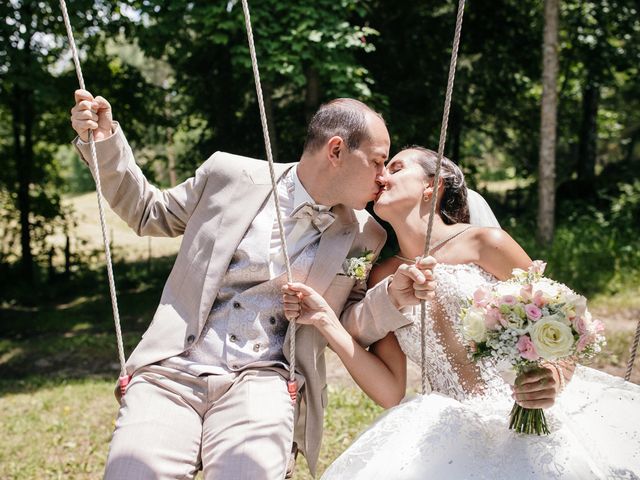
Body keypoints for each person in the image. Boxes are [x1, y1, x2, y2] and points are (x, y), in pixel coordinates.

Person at [69, 92, 436, 479]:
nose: (383, 176)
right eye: (378, 161)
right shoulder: (229, 175)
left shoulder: (366, 235)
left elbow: (346, 319)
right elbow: (149, 213)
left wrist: (392, 296)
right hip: (172, 370)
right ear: (336, 150)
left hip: (263, 380)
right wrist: (105, 141)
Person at [283, 147, 640, 479]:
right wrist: (327, 323)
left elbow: (560, 322)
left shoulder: (485, 243)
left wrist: (551, 379)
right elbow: (390, 391)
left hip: (522, 408)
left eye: (395, 167)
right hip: (446, 427)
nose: (381, 177)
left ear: (432, 186)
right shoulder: (383, 277)